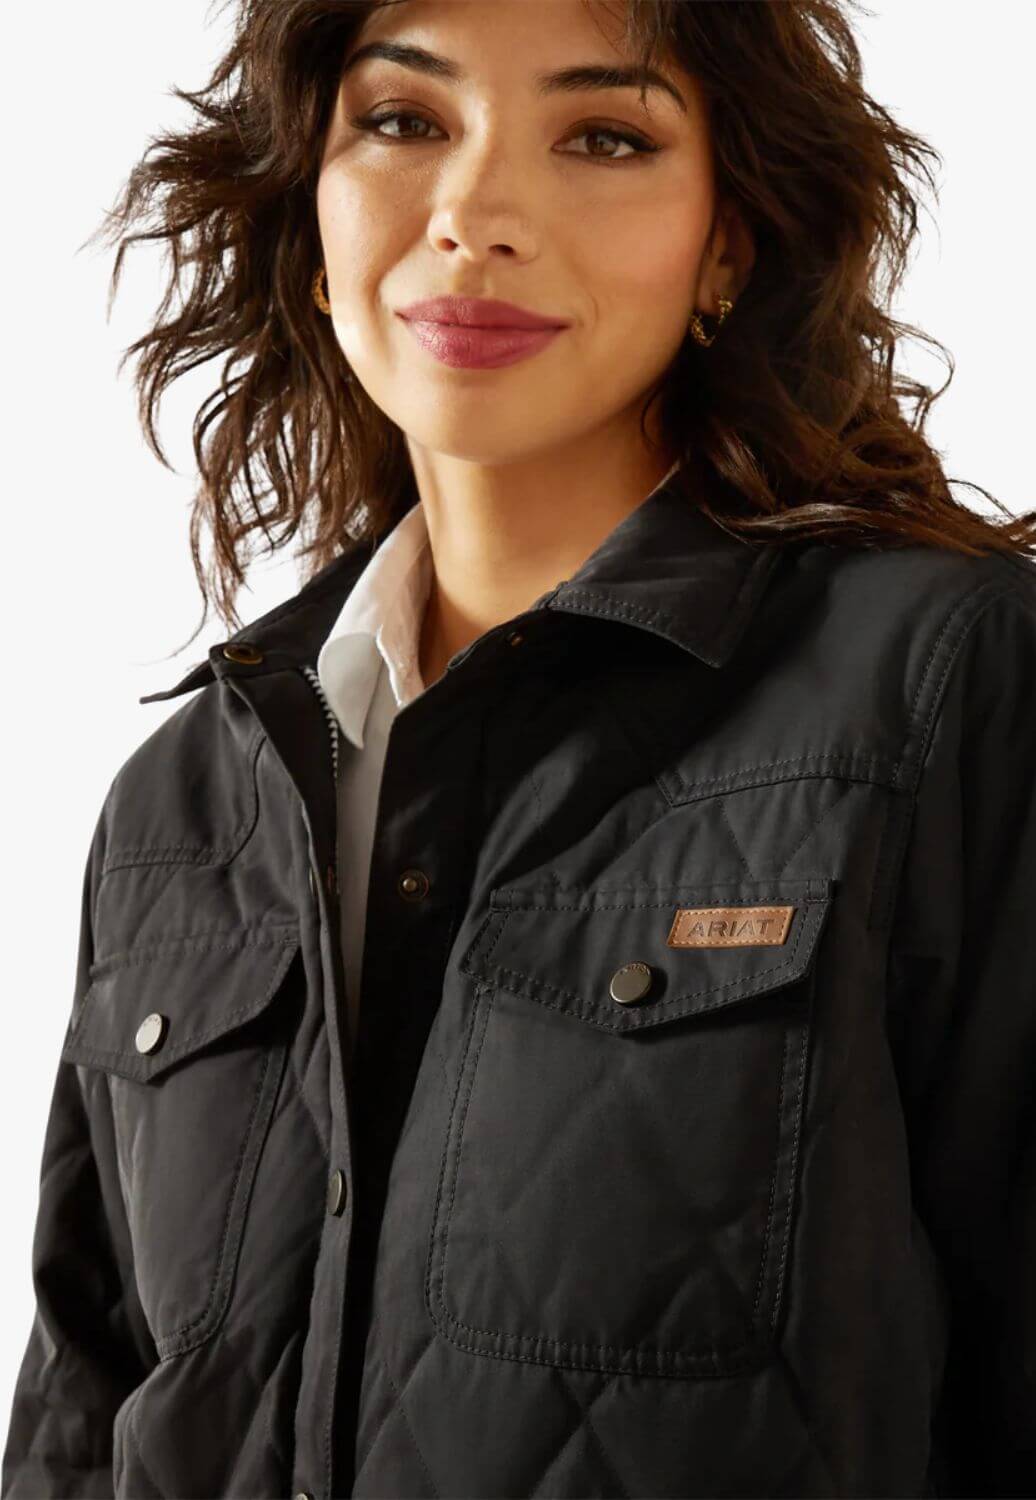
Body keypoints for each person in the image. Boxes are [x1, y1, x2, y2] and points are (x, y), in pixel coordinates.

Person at [3, 0, 1035, 1495]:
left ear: (729, 244)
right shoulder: (184, 801)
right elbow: (79, 1425)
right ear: (308, 212)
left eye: (604, 137)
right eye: (403, 122)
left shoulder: (943, 689)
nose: (477, 214)